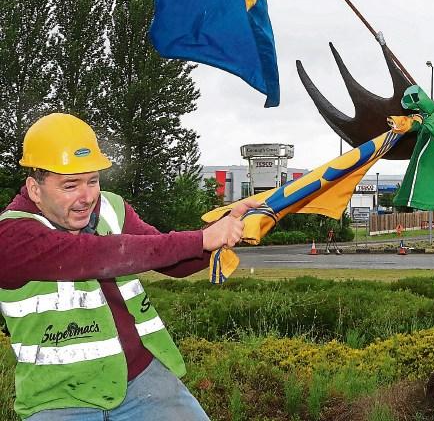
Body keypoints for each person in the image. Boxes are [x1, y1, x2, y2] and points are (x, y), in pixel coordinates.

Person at [0, 113, 257, 420]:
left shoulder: (112, 207)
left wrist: (223, 232)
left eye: (93, 180)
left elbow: (171, 260)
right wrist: (200, 238)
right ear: (35, 189)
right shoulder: (11, 236)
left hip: (140, 378)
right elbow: (99, 255)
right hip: (56, 397)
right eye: (71, 185)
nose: (87, 197)